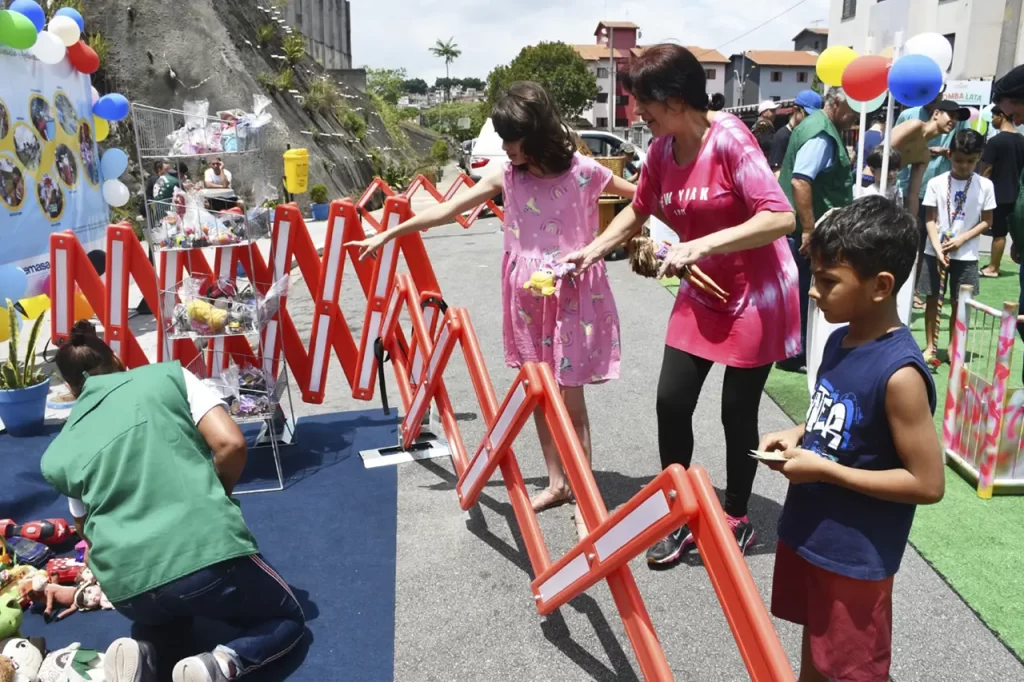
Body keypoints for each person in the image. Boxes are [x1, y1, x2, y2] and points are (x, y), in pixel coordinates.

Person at [345, 81, 636, 537]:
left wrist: (600, 246)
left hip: (573, 296)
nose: (505, 148)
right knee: (539, 393)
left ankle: (584, 496)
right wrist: (389, 234)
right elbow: (447, 209)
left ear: (536, 133)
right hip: (527, 299)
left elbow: (641, 197)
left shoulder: (584, 171)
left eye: (511, 138)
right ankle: (558, 483)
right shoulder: (509, 177)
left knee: (571, 401)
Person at [562, 43, 800, 563]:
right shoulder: (661, 152)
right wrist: (594, 250)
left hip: (758, 293)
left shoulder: (730, 140)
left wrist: (700, 245)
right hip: (702, 290)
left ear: (673, 98)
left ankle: (737, 515)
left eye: (641, 102)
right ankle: (680, 508)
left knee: (737, 413)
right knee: (672, 401)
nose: (635, 113)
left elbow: (780, 217)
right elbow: (638, 209)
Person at [41, 321, 305, 682]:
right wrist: (214, 497)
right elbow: (230, 444)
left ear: (72, 390)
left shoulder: (60, 451)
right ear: (117, 358)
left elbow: (84, 527)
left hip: (127, 588)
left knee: (166, 613)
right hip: (203, 557)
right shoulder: (169, 378)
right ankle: (221, 664)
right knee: (286, 617)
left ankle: (145, 652)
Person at [760, 196, 944, 682]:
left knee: (852, 670)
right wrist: (796, 432)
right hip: (811, 532)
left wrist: (825, 470)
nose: (814, 293)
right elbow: (840, 413)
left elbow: (927, 483)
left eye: (827, 281)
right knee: (818, 657)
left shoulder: (901, 374)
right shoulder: (842, 338)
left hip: (855, 556)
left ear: (881, 286)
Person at [776, 88, 858, 372]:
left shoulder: (813, 126)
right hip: (806, 231)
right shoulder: (822, 133)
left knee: (798, 293)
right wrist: (810, 230)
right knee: (802, 294)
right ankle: (795, 353)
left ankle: (793, 350)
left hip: (798, 228)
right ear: (836, 104)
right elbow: (801, 181)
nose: (856, 115)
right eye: (853, 108)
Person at [918, 130, 995, 365]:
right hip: (935, 251)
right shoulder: (936, 183)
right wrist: (937, 248)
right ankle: (931, 345)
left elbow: (987, 221)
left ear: (979, 158)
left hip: (968, 254)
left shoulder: (985, 185)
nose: (964, 166)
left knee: (960, 301)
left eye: (971, 161)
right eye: (959, 160)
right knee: (932, 298)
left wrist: (962, 239)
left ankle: (954, 345)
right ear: (949, 155)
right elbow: (930, 219)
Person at [890, 100, 970, 216]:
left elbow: (914, 195)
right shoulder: (914, 125)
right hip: (870, 181)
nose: (954, 121)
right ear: (936, 114)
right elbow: (881, 152)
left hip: (890, 192)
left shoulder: (924, 155)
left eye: (956, 119)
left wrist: (913, 226)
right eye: (951, 116)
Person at [980, 106, 1024, 277]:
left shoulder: (995, 142)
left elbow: (987, 169)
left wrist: (980, 188)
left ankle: (993, 267)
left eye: (993, 117)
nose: (992, 121)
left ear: (1001, 116)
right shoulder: (1021, 140)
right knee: (1013, 231)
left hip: (998, 193)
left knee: (998, 233)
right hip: (1017, 194)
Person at [769, 89, 822, 174]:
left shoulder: (809, 136)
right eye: (808, 115)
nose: (812, 120)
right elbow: (776, 172)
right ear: (795, 110)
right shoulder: (782, 137)